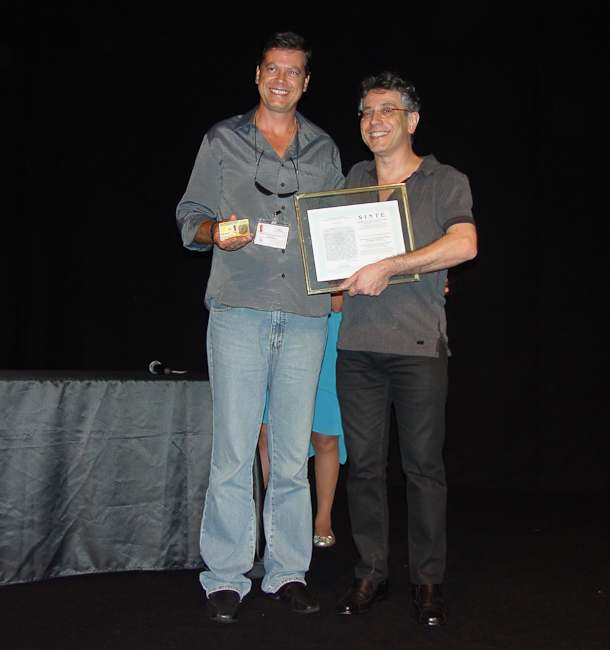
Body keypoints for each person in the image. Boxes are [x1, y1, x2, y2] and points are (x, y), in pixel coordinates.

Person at [175, 32, 344, 623]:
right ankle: (225, 575)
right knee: (233, 452)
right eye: (272, 69)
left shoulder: (324, 148)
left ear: (305, 83)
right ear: (257, 75)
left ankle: (288, 571)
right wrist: (213, 232)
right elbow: (189, 215)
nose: (281, 80)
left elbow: (339, 227)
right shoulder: (221, 139)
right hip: (238, 310)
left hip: (305, 315)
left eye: (292, 72)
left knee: (292, 456)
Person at [333, 73, 478, 627]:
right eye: (367, 111)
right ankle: (371, 573)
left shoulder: (445, 180)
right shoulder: (351, 179)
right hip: (357, 348)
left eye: (387, 110)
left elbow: (465, 244)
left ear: (411, 120)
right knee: (364, 469)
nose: (375, 121)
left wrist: (389, 266)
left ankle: (428, 580)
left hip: (418, 347)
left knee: (423, 469)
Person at [258, 292, 345, 547]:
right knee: (266, 432)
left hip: (325, 331)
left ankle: (323, 519)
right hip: (279, 326)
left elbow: (337, 303)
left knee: (324, 435)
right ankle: (265, 515)